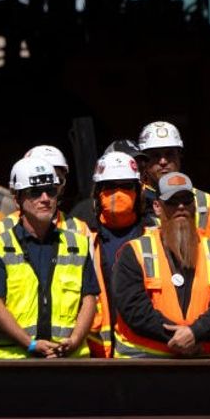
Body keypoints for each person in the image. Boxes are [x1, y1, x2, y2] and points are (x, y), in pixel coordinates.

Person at [113, 172, 210, 357]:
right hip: (147, 364)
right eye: (172, 202)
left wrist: (196, 333)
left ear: (194, 205)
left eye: (186, 200)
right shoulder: (134, 251)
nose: (181, 207)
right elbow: (133, 308)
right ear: (157, 207)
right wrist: (178, 337)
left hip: (206, 364)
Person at [0, 157, 99, 358]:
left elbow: (89, 299)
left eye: (51, 191)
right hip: (17, 361)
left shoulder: (77, 245)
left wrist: (75, 340)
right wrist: (30, 344)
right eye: (35, 192)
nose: (45, 198)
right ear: (17, 199)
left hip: (70, 359)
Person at [86, 151, 151, 357]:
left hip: (142, 351)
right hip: (96, 353)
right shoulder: (83, 238)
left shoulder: (155, 236)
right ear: (97, 193)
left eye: (126, 186)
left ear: (138, 191)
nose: (118, 193)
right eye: (110, 186)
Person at [137, 121, 210, 230]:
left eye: (169, 154)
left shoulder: (204, 200)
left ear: (179, 156)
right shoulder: (135, 199)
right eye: (155, 155)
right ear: (144, 161)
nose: (163, 161)